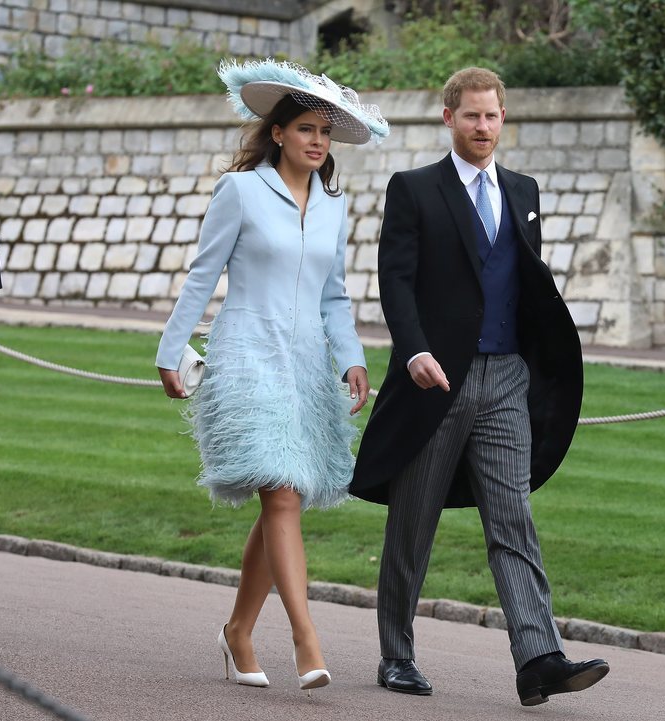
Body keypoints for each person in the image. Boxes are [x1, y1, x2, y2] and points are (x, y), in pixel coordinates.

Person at [350, 67, 609, 706]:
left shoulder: (524, 191)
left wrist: (537, 364)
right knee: (414, 521)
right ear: (449, 118)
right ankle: (397, 654)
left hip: (505, 382)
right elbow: (396, 280)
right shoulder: (414, 189)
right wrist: (412, 351)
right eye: (471, 116)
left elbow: (520, 286)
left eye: (492, 116)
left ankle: (538, 658)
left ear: (503, 118)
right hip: (434, 381)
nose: (483, 127)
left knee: (512, 517)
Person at [156, 59, 388, 692]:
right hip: (246, 355)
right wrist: (170, 349)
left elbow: (335, 295)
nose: (318, 141)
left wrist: (353, 357)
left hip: (309, 364)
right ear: (278, 132)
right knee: (281, 493)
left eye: (325, 133)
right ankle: (305, 637)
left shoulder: (335, 206)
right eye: (307, 128)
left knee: (284, 498)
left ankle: (237, 631)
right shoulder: (241, 191)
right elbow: (203, 275)